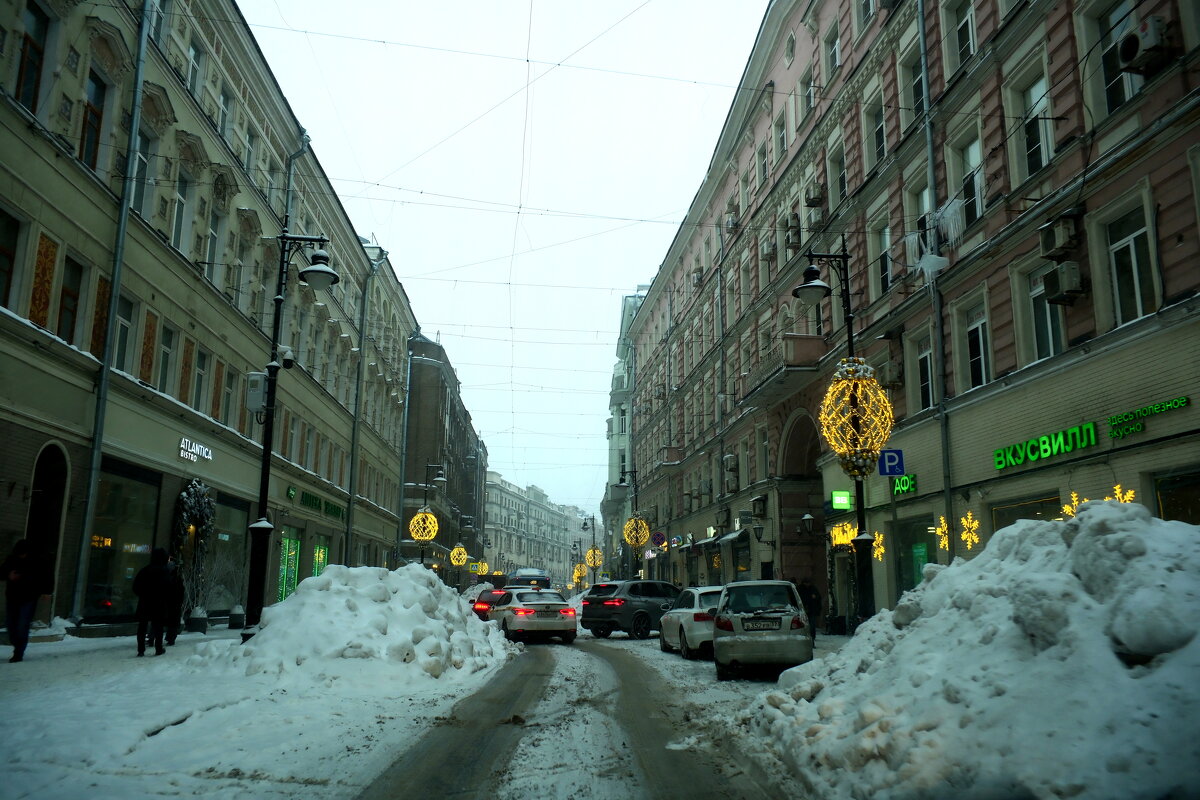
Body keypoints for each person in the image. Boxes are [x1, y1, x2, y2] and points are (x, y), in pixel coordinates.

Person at [2, 539, 53, 663]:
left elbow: (47, 575)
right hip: (14, 596)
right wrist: (9, 575)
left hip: (28, 596)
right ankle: (17, 645)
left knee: (22, 624)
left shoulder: (37, 561)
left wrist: (47, 591)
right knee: (12, 624)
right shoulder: (12, 560)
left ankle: (18, 651)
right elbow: (2, 571)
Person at [133, 548, 172, 657]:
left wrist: (144, 595)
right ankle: (158, 648)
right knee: (158, 627)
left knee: (142, 627)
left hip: (145, 602)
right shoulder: (164, 572)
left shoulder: (145, 571)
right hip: (159, 603)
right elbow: (169, 589)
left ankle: (141, 650)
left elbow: (136, 587)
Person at [164, 554, 185, 646]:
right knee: (172, 622)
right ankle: (170, 638)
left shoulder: (169, 578)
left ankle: (166, 638)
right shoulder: (177, 578)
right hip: (174, 604)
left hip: (169, 603)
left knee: (163, 621)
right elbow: (181, 592)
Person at [797, 576, 822, 643]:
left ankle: (811, 639)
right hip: (804, 610)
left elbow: (818, 598)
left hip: (811, 610)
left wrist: (815, 598)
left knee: (811, 626)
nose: (808, 585)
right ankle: (808, 639)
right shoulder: (800, 589)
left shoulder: (812, 588)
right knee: (806, 626)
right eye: (806, 583)